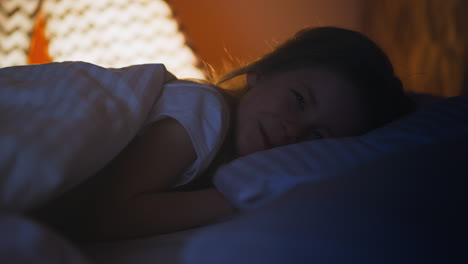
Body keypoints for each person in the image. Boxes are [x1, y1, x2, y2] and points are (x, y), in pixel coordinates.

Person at [28, 26, 415, 243]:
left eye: (318, 137)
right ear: (261, 73)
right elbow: (105, 216)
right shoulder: (203, 110)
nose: (292, 130)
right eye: (298, 100)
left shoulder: (223, 155)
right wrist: (242, 200)